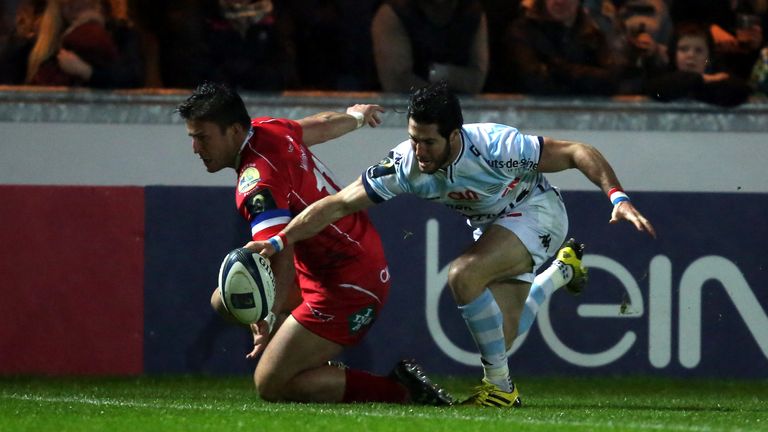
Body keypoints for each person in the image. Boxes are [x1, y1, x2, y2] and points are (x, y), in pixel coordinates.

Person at [246, 81, 657, 408]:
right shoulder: (405, 164)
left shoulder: (497, 147)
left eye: (429, 142)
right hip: (491, 226)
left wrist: (617, 197)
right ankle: (560, 273)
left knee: (464, 274)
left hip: (536, 212)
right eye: (414, 139)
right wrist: (282, 239)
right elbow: (336, 205)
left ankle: (500, 390)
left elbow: (577, 151)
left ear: (454, 135)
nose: (419, 152)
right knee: (503, 337)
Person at [176, 82, 453, 405]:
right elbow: (320, 125)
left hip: (350, 283)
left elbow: (278, 253)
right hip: (337, 262)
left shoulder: (257, 183)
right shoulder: (266, 129)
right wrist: (356, 118)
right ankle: (305, 357)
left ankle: (402, 391)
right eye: (193, 137)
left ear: (235, 130)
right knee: (225, 300)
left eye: (202, 137)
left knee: (270, 384)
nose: (196, 147)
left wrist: (267, 318)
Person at [498, 0, 623, 95]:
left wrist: (557, 68)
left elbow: (611, 81)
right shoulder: (522, 31)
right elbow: (534, 82)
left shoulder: (593, 34)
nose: (560, 1)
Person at [371, 0, 489, 94]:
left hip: (464, 114)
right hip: (401, 115)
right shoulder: (392, 13)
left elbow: (475, 82)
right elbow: (397, 83)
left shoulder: (473, 13)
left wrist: (433, 72)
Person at [19, 0, 143, 87]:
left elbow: (131, 78)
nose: (75, 6)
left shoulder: (122, 34)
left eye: (81, 1)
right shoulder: (44, 42)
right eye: (67, 4)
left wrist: (86, 72)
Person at [645, 22, 752, 107]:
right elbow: (657, 91)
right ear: (674, 54)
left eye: (699, 50)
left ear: (709, 57)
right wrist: (702, 79)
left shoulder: (719, 74)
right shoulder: (663, 76)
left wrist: (695, 86)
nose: (691, 55)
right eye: (684, 49)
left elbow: (740, 91)